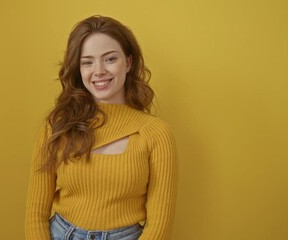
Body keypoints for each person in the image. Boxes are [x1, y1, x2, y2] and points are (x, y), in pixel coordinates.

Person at [25, 15, 178, 240]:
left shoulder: (156, 133)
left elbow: (160, 224)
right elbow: (35, 213)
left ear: (128, 62)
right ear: (78, 69)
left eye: (109, 59)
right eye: (87, 62)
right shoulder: (57, 126)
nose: (98, 71)